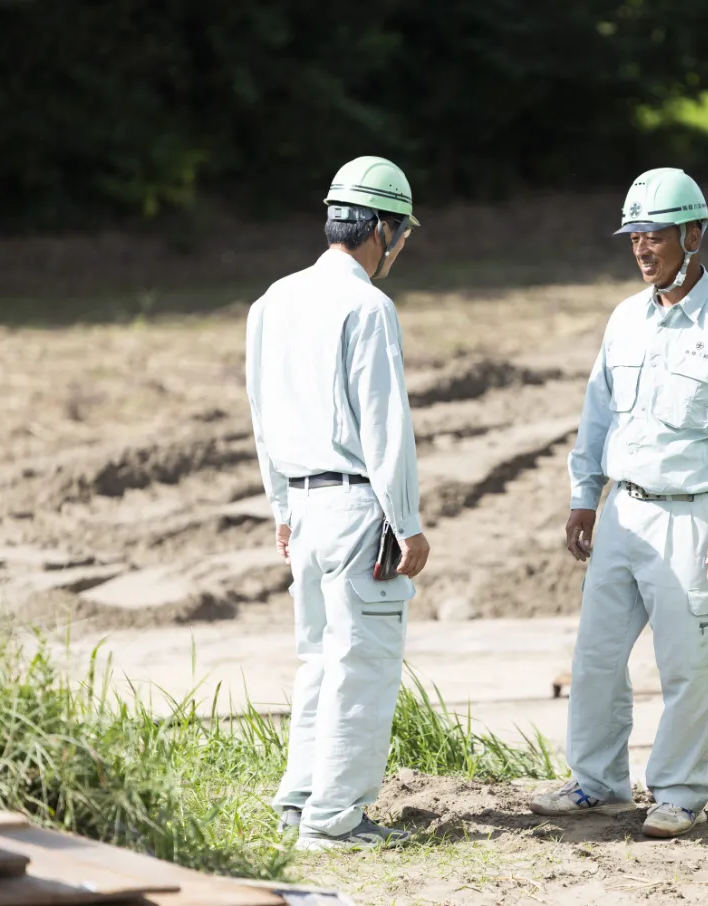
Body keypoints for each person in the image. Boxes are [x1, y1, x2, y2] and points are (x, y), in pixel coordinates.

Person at [531, 168, 708, 838]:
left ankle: (679, 792)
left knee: (688, 666)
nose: (642, 249)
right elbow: (597, 415)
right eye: (635, 237)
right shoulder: (624, 320)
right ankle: (596, 782)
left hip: (694, 516)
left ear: (693, 235)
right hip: (623, 512)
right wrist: (585, 496)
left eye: (656, 236)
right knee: (595, 657)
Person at [245, 155, 430, 852]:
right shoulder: (368, 307)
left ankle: (300, 800)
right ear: (381, 229)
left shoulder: (272, 301)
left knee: (319, 659)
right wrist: (407, 522)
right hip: (357, 509)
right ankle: (336, 818)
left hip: (301, 505)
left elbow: (262, 416)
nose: (399, 247)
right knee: (363, 665)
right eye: (401, 233)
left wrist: (280, 510)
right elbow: (386, 426)